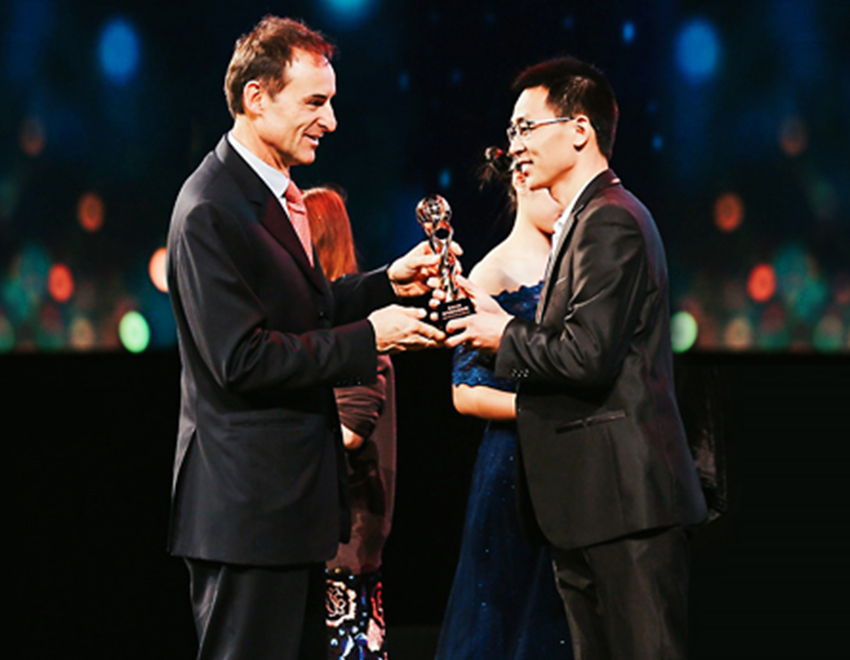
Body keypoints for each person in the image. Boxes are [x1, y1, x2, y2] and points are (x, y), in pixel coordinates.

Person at [166, 16, 444, 660]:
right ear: (257, 98)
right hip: (247, 514)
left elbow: (304, 311)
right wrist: (369, 337)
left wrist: (387, 283)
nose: (331, 121)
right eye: (315, 102)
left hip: (284, 511)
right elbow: (243, 358)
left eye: (332, 102)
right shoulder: (210, 208)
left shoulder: (268, 194)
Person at [444, 56, 708, 660]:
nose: (514, 146)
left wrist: (502, 333)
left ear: (580, 130)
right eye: (511, 131)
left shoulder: (610, 219)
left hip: (626, 508)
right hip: (590, 507)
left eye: (526, 128)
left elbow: (588, 355)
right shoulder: (585, 220)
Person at [435, 149, 572, 660]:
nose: (561, 199)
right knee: (508, 615)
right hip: (514, 466)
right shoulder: (491, 272)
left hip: (571, 459)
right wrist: (542, 413)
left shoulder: (577, 261)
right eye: (551, 188)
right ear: (521, 180)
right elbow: (465, 393)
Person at [302, 185, 396, 660]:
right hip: (319, 537)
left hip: (346, 542)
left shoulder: (357, 334)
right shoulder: (325, 332)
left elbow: (351, 431)